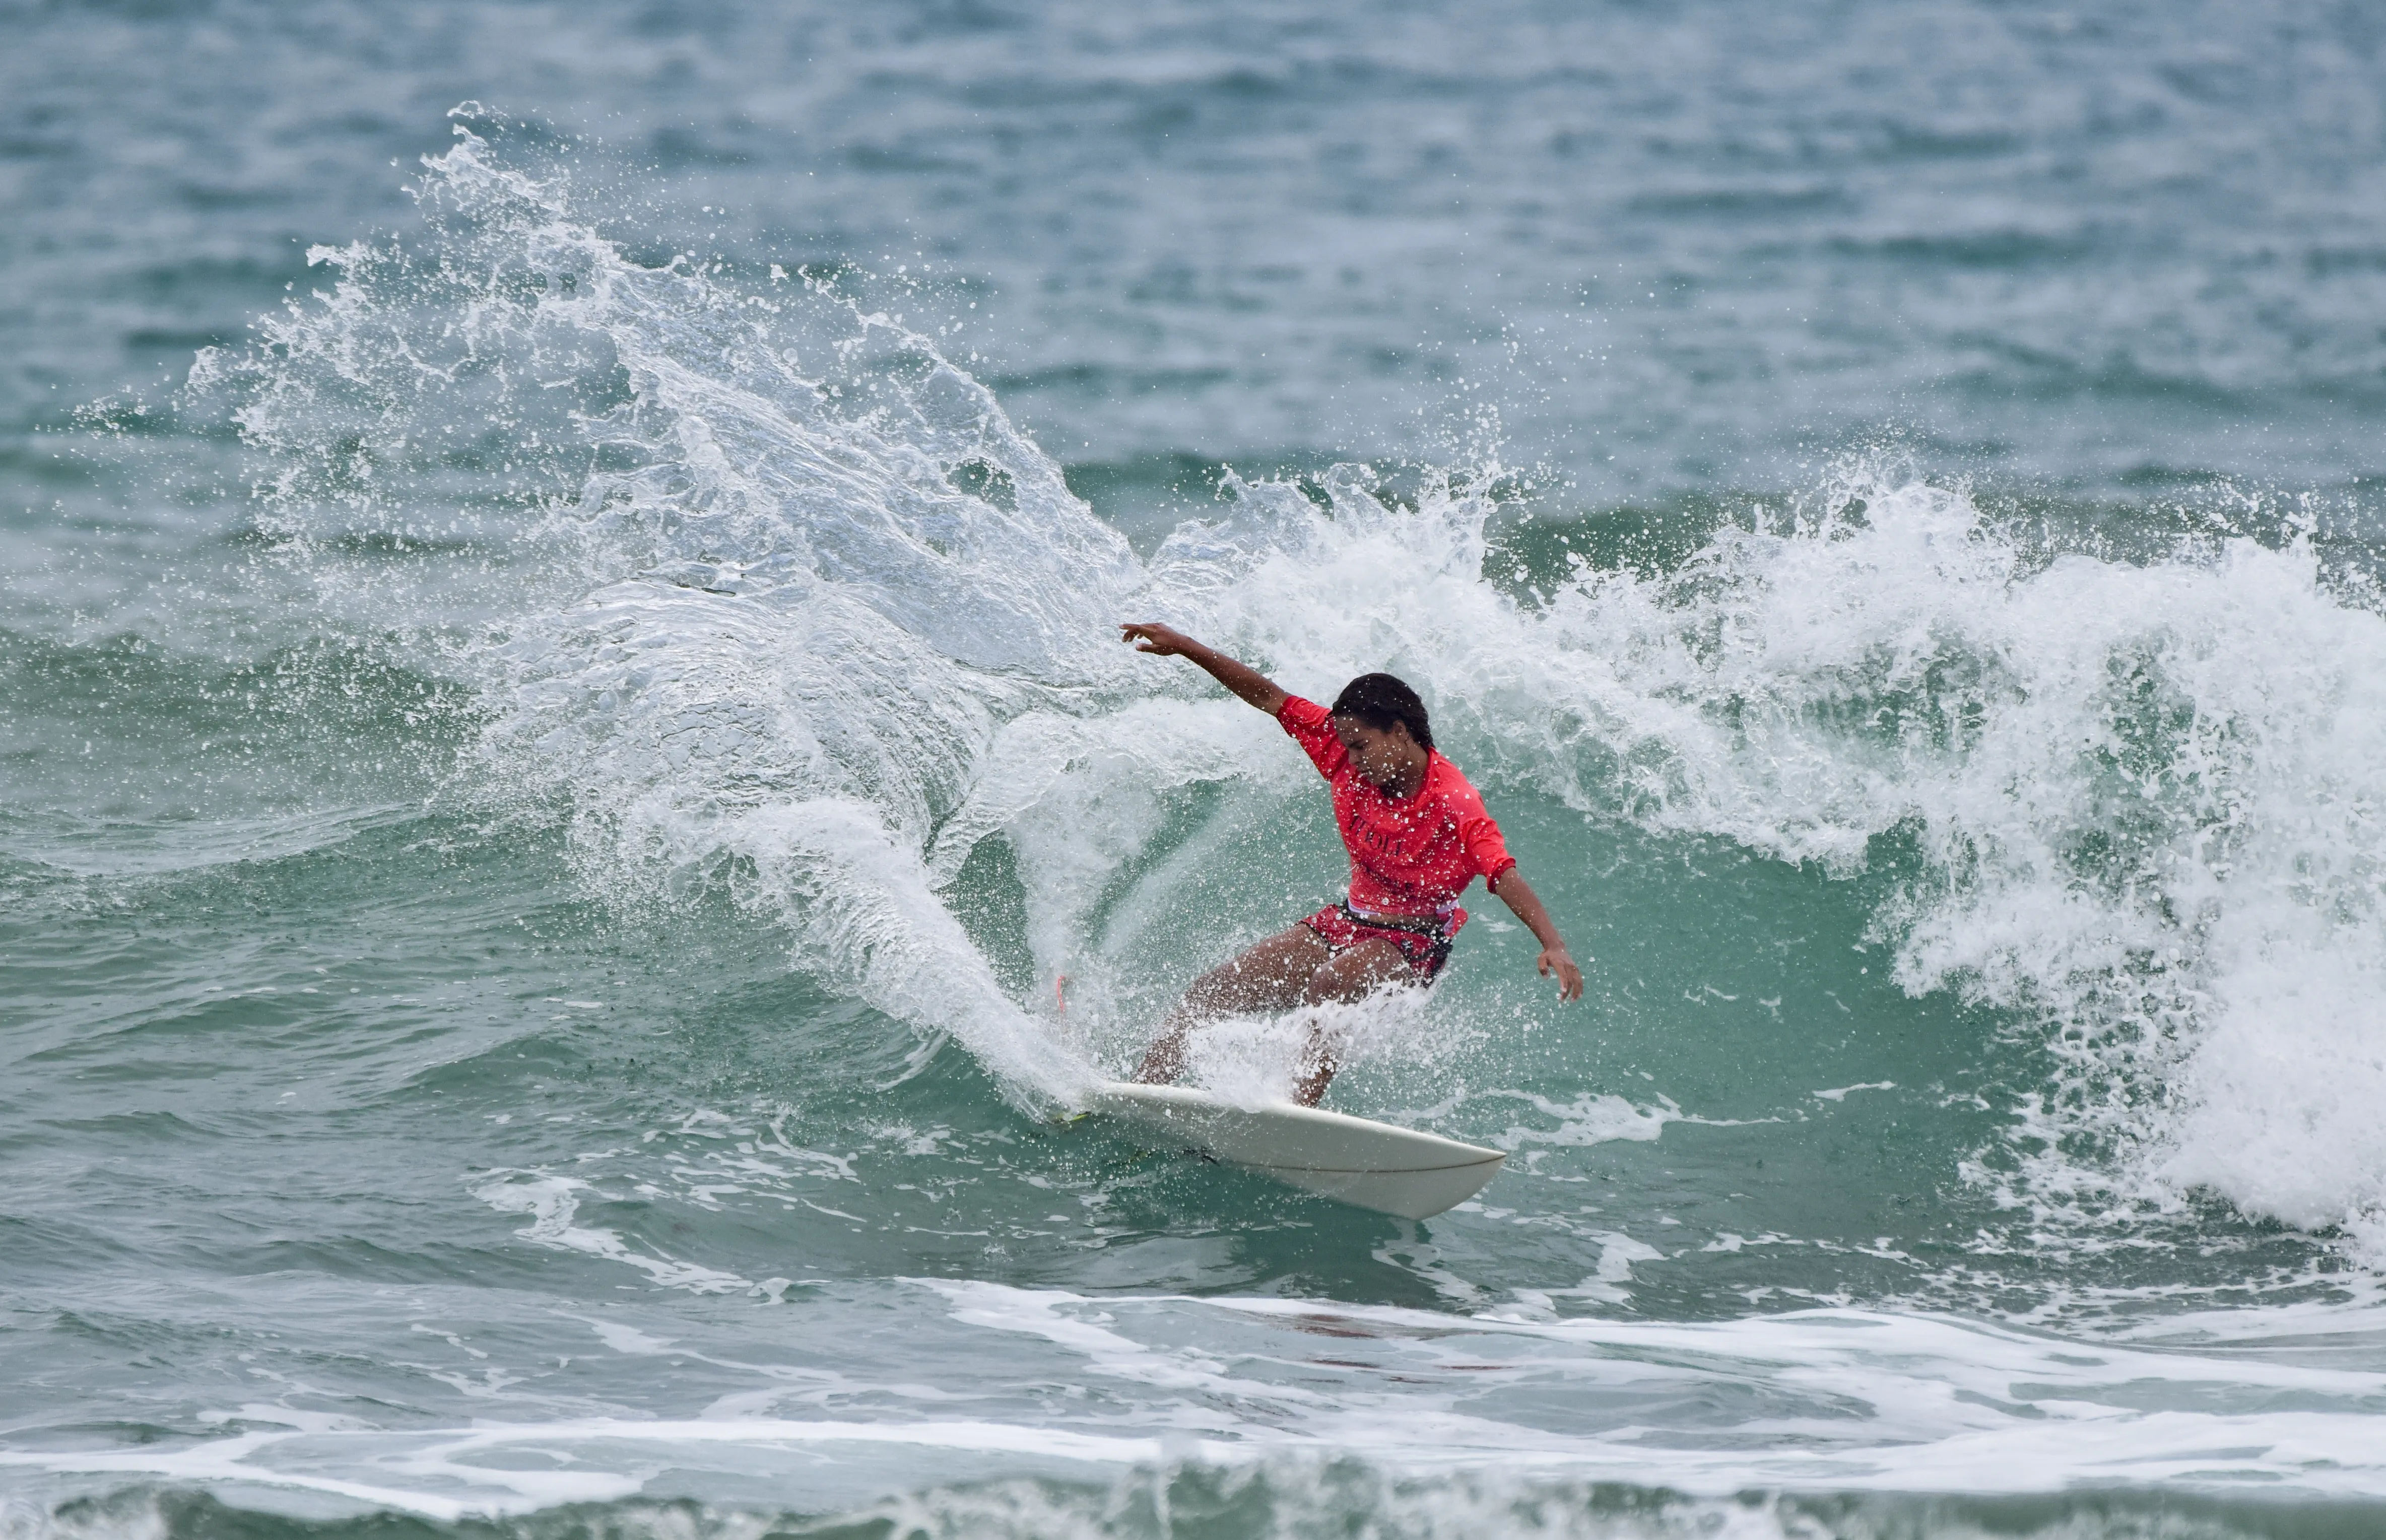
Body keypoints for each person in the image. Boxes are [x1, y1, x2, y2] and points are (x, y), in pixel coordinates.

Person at [1120, 622, 1583, 1106]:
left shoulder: (1454, 801)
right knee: (1213, 991)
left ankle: (1293, 1120)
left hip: (1414, 942)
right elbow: (1269, 696)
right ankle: (1142, 1098)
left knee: (1331, 983)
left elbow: (1500, 871)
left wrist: (1553, 944)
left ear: (1400, 733)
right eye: (1346, 745)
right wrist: (1187, 647)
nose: (1350, 757)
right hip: (1345, 921)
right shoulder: (1343, 749)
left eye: (1361, 745)